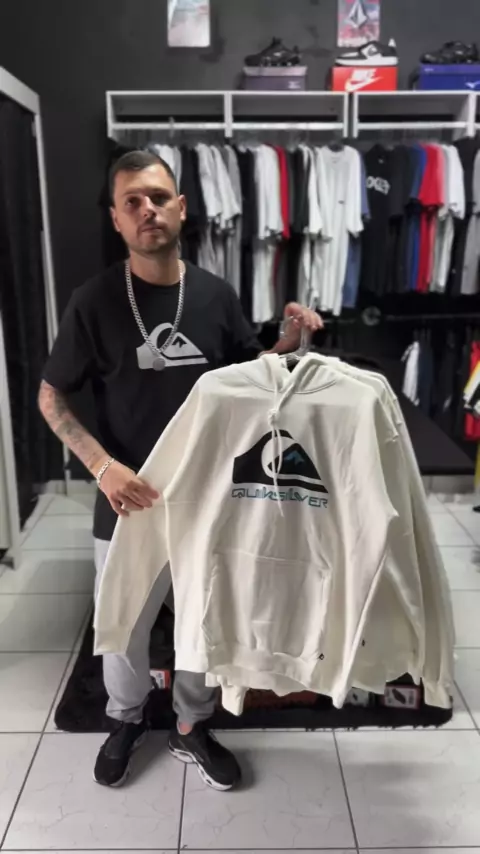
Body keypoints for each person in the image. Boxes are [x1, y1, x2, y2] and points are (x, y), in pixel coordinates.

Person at [39, 149, 322, 791]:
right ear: (117, 219)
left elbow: (248, 373)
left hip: (208, 495)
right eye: (132, 201)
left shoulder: (216, 295)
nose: (148, 210)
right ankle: (126, 719)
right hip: (126, 499)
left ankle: (192, 725)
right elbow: (51, 396)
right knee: (123, 626)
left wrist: (286, 340)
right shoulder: (93, 302)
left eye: (159, 197)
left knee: (203, 615)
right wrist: (103, 467)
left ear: (182, 208)